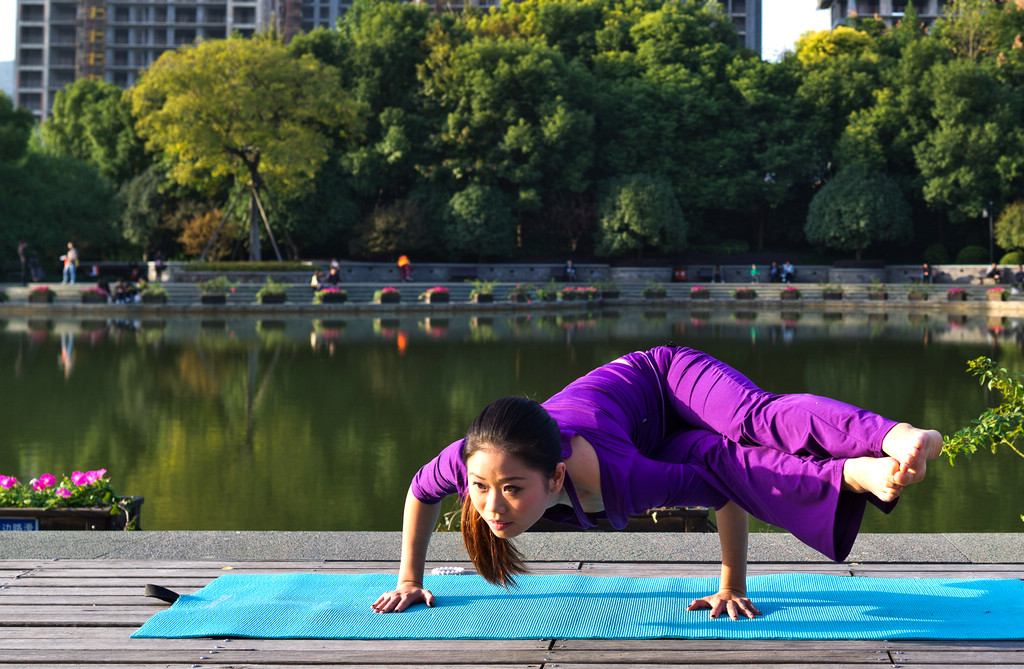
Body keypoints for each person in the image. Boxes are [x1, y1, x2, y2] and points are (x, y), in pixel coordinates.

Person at [372, 345, 942, 620]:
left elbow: (724, 499)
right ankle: (848, 474)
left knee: (751, 421)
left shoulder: (630, 480)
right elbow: (420, 491)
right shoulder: (479, 456)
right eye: (481, 488)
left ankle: (886, 438)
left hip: (663, 380)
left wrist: (731, 584)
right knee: (719, 458)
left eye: (513, 489)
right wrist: (409, 577)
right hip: (649, 436)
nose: (493, 506)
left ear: (556, 477)